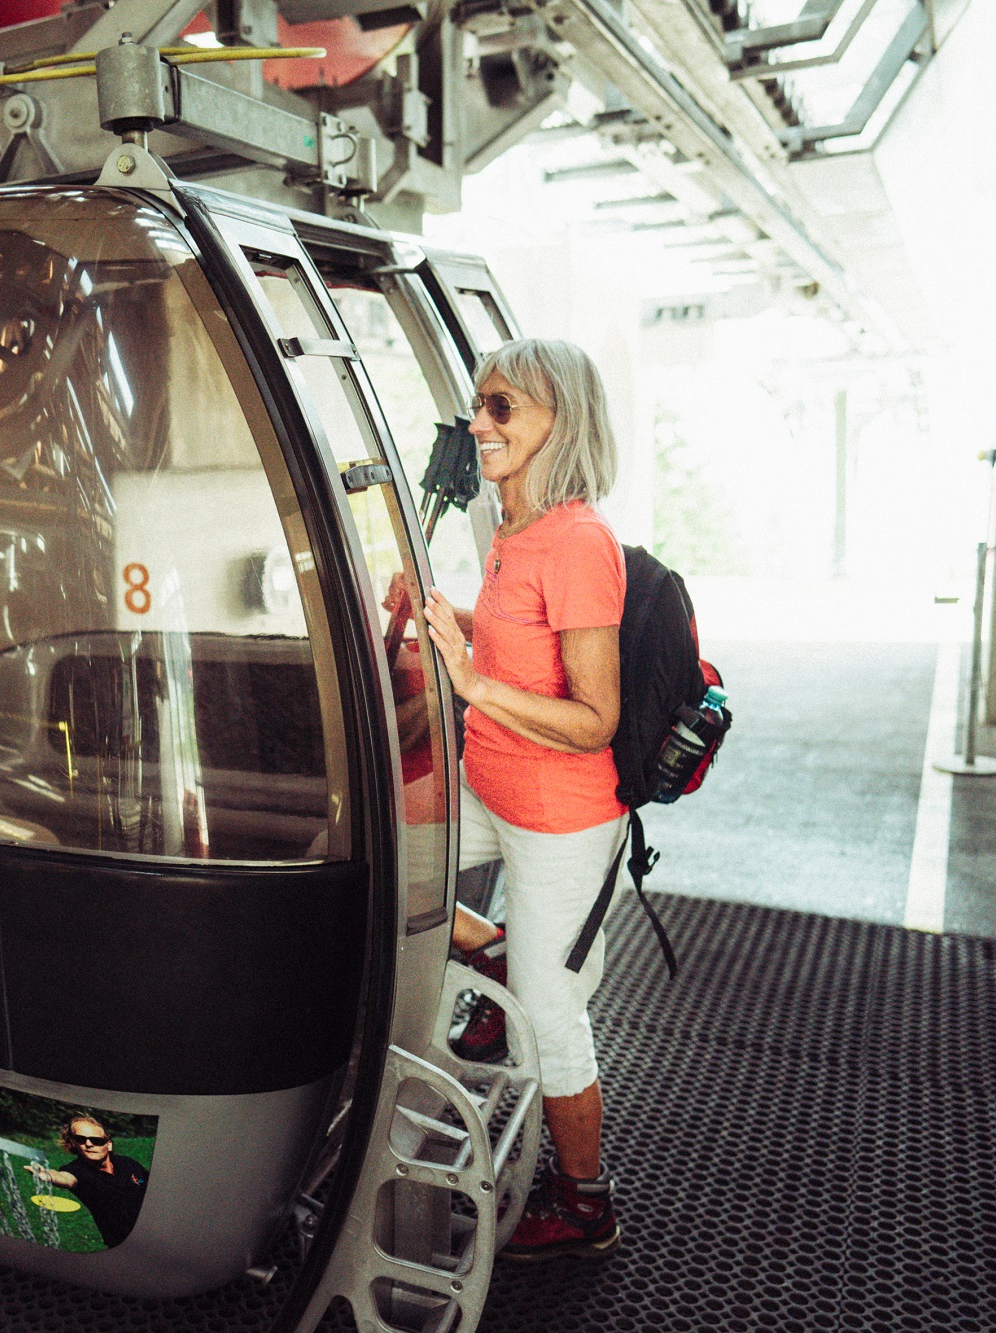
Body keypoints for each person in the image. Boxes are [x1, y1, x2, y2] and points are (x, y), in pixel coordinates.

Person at [421, 338, 627, 1262]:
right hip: (490, 787)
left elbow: (592, 719)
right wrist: (448, 617)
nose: (481, 423)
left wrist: (469, 682)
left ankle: (585, 1202)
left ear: (560, 425)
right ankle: (494, 945)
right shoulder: (513, 530)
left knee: (550, 1012)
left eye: (504, 409)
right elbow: (513, 645)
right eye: (480, 404)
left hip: (560, 818)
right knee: (396, 859)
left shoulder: (580, 542)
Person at [29, 1115, 149, 1248]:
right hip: (125, 1244)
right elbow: (66, 1178)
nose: (88, 1144)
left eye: (96, 1140)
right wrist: (47, 1175)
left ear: (108, 1144)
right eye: (81, 1139)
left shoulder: (128, 1163)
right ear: (73, 1143)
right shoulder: (76, 1169)